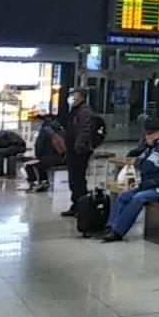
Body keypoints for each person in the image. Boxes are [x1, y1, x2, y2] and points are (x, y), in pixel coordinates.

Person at [101, 118, 159, 242]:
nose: (146, 136)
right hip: (148, 184)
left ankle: (118, 231)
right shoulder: (153, 145)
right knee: (123, 195)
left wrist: (142, 163)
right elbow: (138, 160)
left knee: (138, 198)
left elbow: (148, 166)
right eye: (146, 133)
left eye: (150, 133)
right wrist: (142, 161)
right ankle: (111, 226)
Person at [59, 87, 98, 218]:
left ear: (81, 96)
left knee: (78, 178)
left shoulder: (85, 111)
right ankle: (76, 204)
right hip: (72, 148)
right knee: (73, 179)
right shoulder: (75, 110)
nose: (72, 97)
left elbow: (85, 130)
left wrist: (79, 146)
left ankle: (81, 206)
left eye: (74, 94)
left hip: (80, 150)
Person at [22, 112, 66, 192]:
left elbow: (39, 146)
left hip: (51, 158)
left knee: (28, 164)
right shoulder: (61, 129)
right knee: (40, 163)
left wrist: (38, 156)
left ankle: (35, 184)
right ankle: (43, 182)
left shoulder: (44, 130)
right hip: (62, 157)